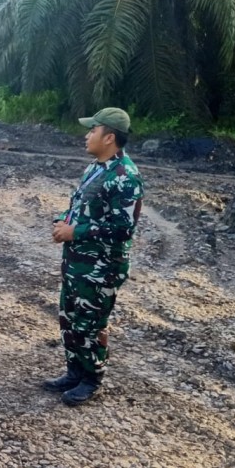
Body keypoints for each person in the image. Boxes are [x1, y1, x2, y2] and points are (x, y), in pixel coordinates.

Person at [44, 107, 144, 406]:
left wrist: (76, 232)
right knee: (69, 319)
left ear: (109, 137)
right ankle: (74, 371)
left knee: (90, 324)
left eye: (93, 130)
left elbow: (123, 228)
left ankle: (92, 379)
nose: (87, 135)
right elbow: (79, 207)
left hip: (102, 267)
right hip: (77, 263)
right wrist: (63, 221)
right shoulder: (95, 169)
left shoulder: (125, 177)